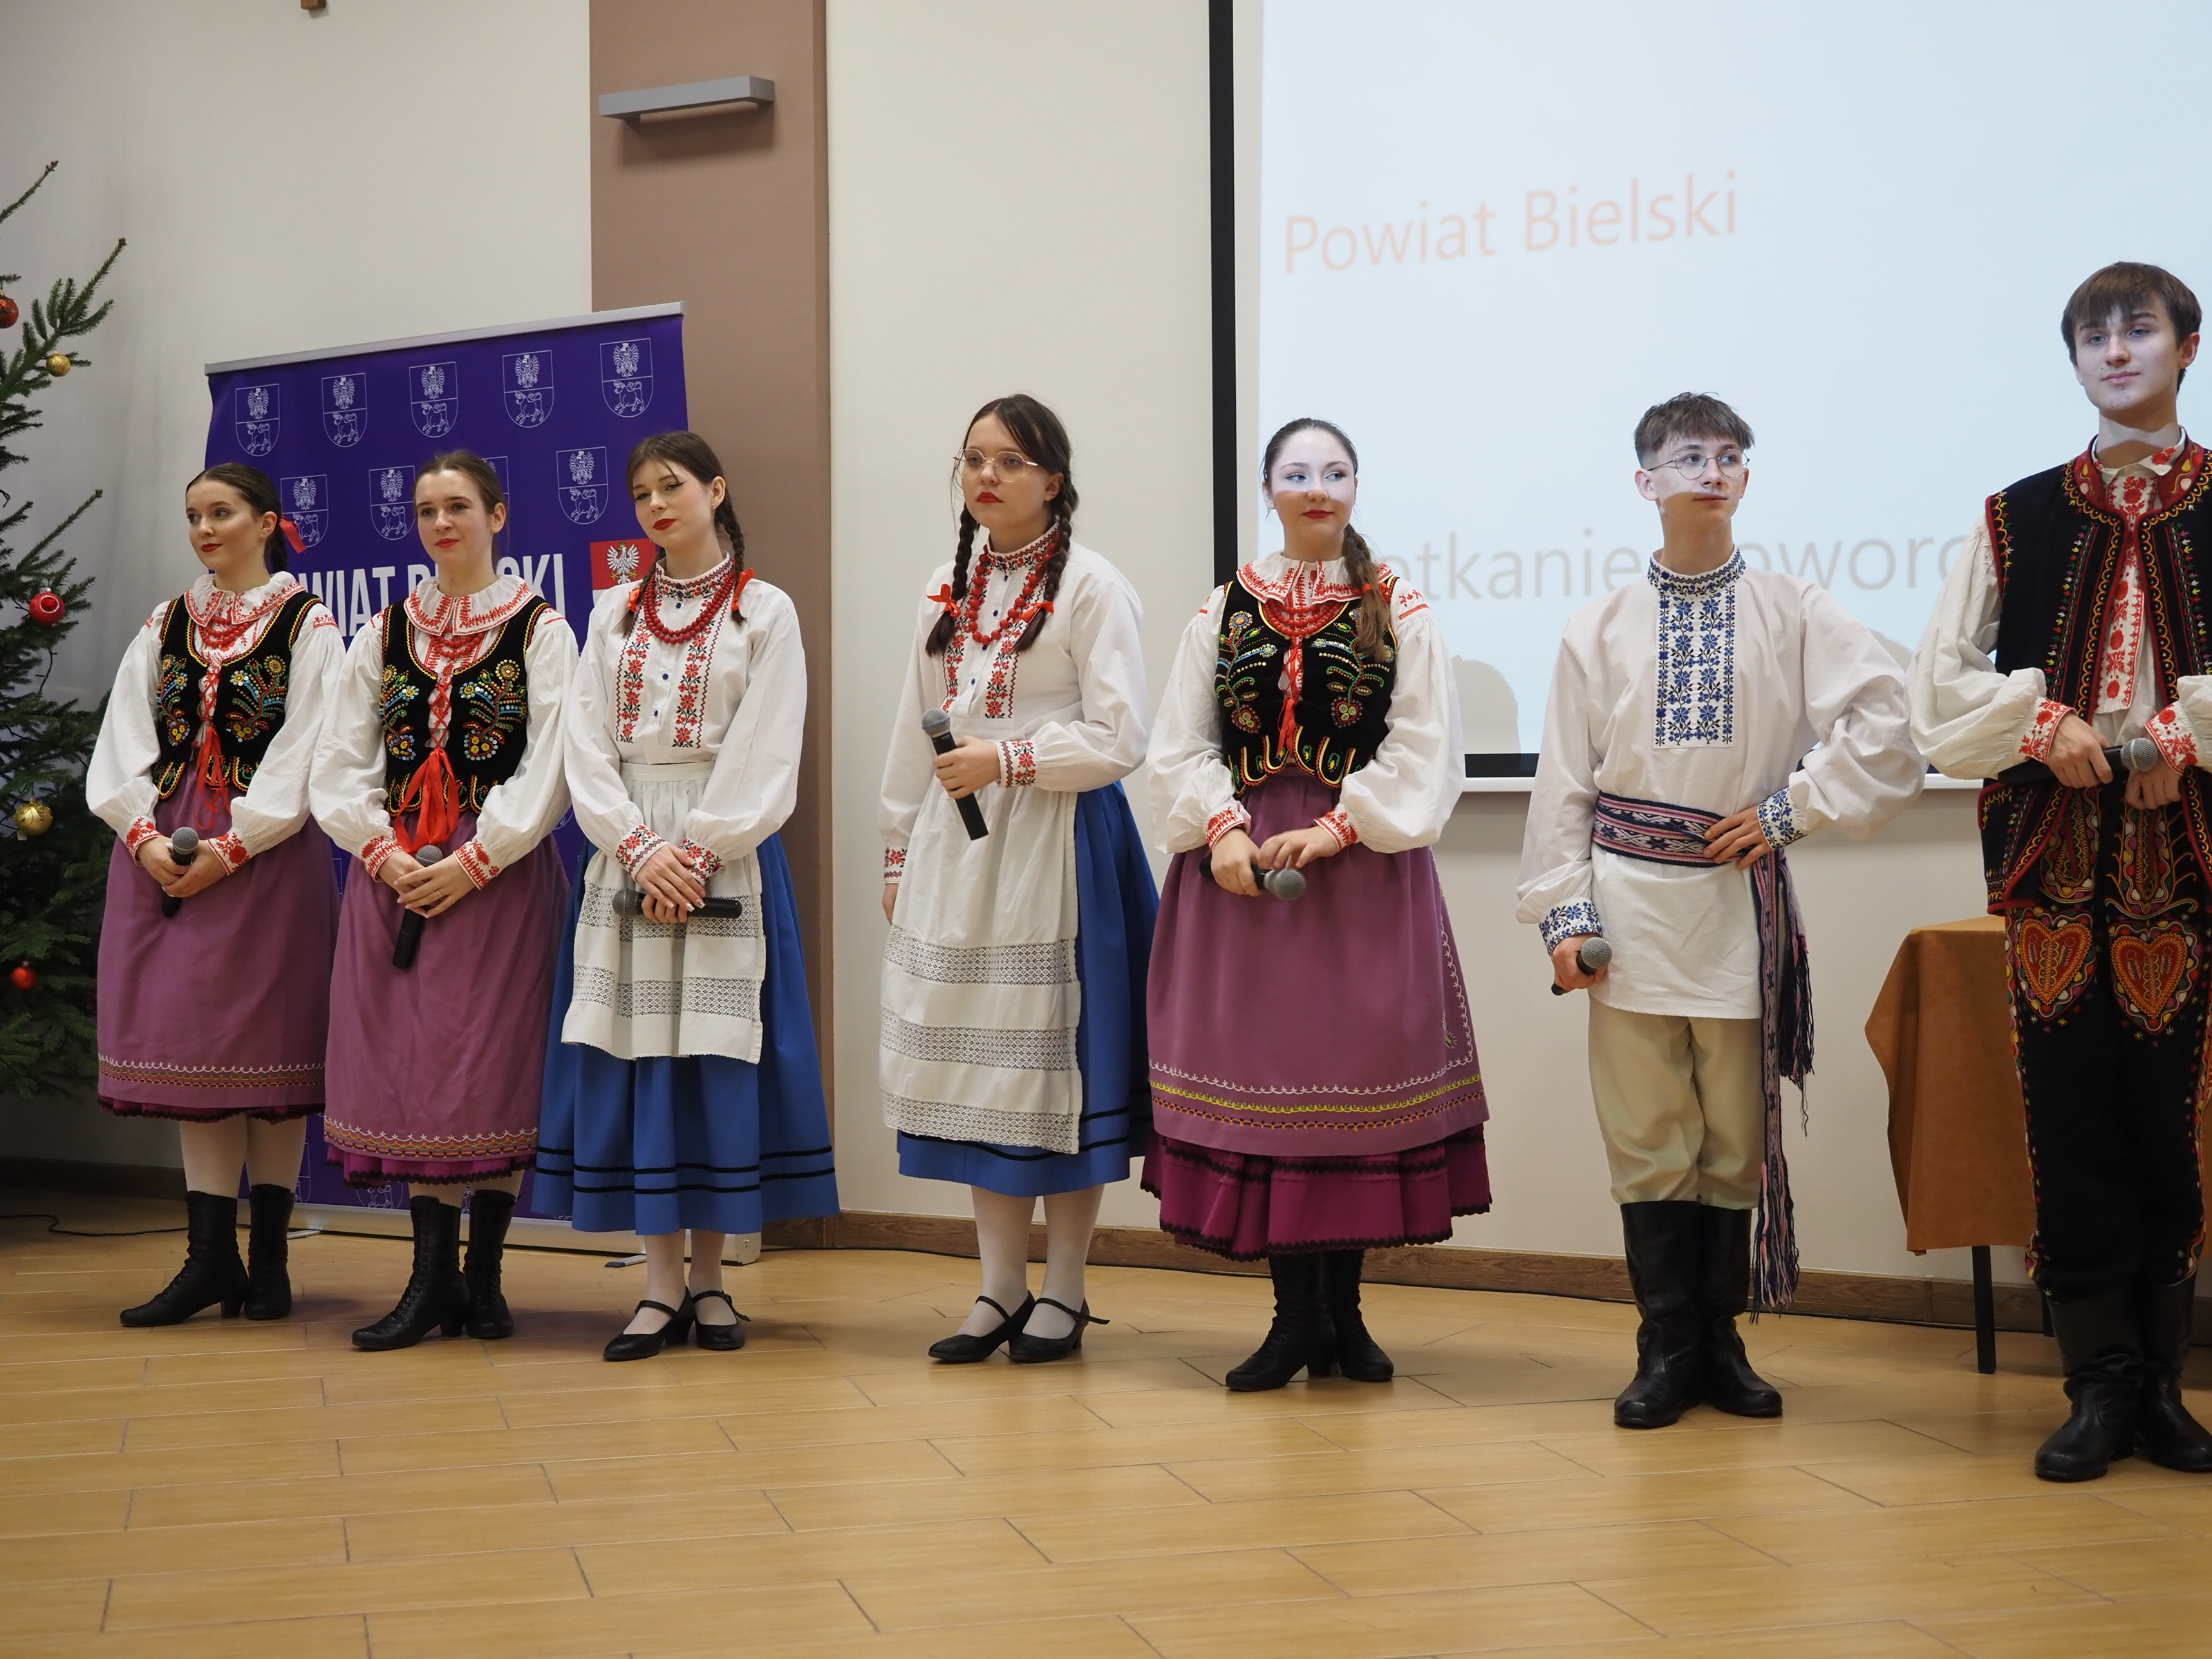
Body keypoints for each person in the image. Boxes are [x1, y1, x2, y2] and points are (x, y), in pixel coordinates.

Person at [1519, 393, 1922, 1430]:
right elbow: (1563, 785)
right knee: (1649, 1135)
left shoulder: (1795, 608)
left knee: (1733, 1139)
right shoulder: (1596, 624)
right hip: (1626, 907)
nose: (1712, 470)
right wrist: (1565, 917)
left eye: (1730, 455)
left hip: (1738, 908)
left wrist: (1791, 809)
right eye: (1689, 456)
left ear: (1746, 478)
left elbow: (1886, 724)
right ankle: (1666, 1345)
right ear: (1644, 481)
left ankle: (1720, 1342)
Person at [1913, 262, 2212, 1482]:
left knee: (2172, 1119)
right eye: (2094, 335)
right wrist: (2045, 727)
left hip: (2185, 856)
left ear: (2187, 345)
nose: (2117, 350)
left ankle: (2164, 1383)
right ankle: (2097, 1382)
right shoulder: (2016, 514)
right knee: (2069, 1114)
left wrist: (2185, 735)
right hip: (2052, 858)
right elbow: (1938, 691)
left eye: (2139, 328)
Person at [1145, 416, 1488, 1392]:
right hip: (1245, 875)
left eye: (1335, 472)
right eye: (1296, 473)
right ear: (1268, 490)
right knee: (1273, 1093)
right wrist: (1222, 830)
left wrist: (1339, 828)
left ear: (1356, 488)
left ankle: (1343, 1316)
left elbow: (1425, 745)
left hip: (1361, 871)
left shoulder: (1398, 605)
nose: (1316, 487)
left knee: (1346, 1089)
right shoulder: (1223, 607)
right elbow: (1181, 741)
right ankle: (1296, 1318)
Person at [538, 432, 838, 1360]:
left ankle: (711, 1282)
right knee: (639, 1064)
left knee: (713, 1059)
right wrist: (638, 847)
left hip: (724, 845)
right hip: (628, 846)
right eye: (640, 494)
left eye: (671, 486)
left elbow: (770, 743)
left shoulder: (764, 611)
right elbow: (584, 743)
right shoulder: (611, 613)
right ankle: (658, 1285)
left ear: (716, 489)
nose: (656, 505)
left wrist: (698, 851)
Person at [879, 393, 1155, 1363]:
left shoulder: (1092, 585)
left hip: (1062, 843)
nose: (986, 476)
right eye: (972, 459)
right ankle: (998, 1288)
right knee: (980, 1072)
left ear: (1053, 479)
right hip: (960, 849)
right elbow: (914, 730)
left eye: (1008, 460)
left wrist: (1008, 759)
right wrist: (896, 851)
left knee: (1055, 1074)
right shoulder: (942, 588)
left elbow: (1121, 736)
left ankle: (1065, 1290)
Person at [309, 450, 575, 1351]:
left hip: (497, 877)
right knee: (416, 1067)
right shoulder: (384, 630)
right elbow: (340, 760)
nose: (440, 523)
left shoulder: (540, 629)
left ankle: (483, 1280)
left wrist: (478, 859)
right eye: (426, 510)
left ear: (497, 516)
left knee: (493, 1063)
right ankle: (431, 1280)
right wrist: (382, 853)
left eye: (457, 506)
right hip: (395, 874)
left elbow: (552, 760)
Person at [86, 463, 341, 1326]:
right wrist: (143, 835)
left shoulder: (308, 625)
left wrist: (235, 845)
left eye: (221, 513)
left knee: (266, 1052)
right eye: (193, 514)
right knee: (195, 1050)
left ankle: (267, 1265)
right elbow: (123, 739)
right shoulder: (165, 624)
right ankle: (211, 1259)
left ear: (266, 523)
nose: (203, 529)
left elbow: (306, 750)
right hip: (164, 849)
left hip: (263, 855)